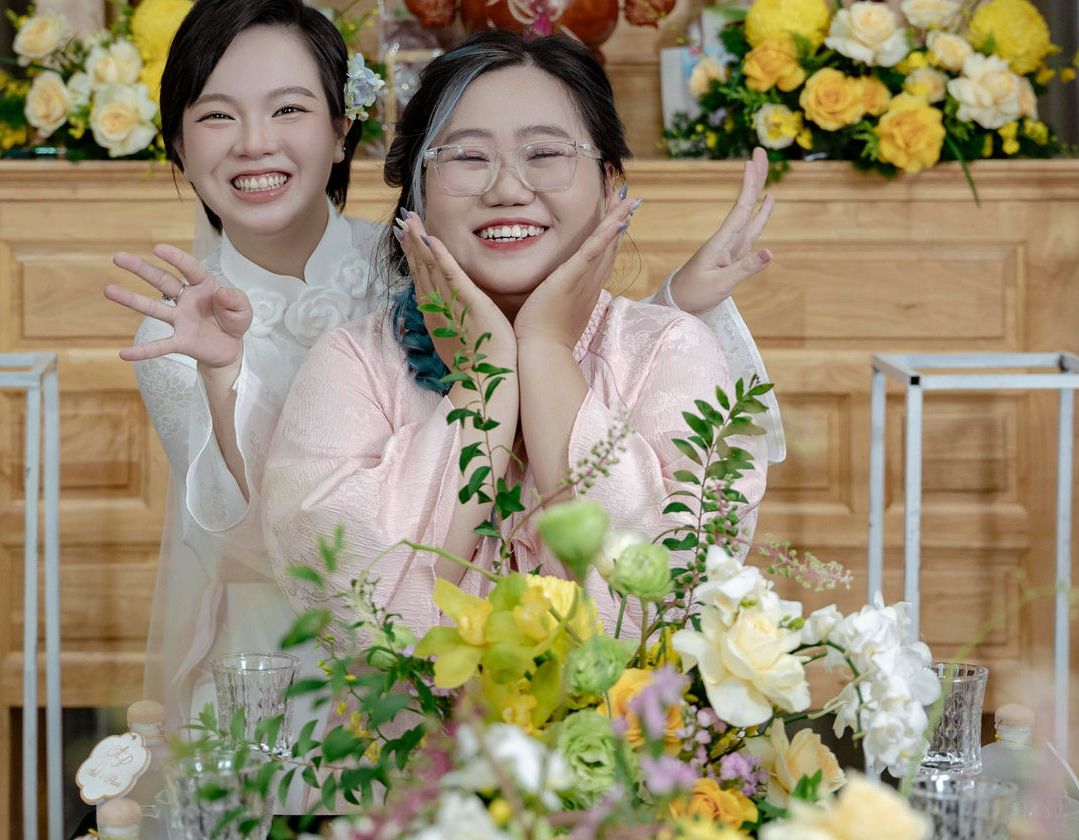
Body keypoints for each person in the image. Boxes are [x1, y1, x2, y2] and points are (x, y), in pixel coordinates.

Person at [106, 0, 779, 715]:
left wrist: (668, 308)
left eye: (289, 107)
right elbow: (289, 541)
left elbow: (591, 363)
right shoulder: (307, 345)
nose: (255, 141)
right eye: (216, 115)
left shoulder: (400, 256)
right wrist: (228, 374)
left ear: (342, 131)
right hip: (310, 663)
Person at [261, 31, 773, 636]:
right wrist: (487, 376)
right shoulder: (352, 365)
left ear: (611, 184)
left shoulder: (671, 354)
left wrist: (547, 349)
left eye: (546, 154)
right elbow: (359, 619)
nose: (506, 189)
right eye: (468, 158)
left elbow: (655, 613)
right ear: (416, 197)